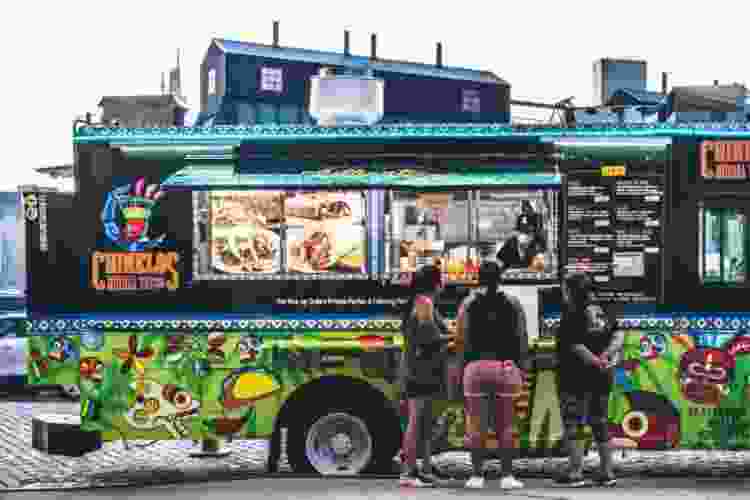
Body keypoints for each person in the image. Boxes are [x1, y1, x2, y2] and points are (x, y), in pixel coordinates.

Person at [454, 261, 529, 490]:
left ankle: (476, 476)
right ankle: (507, 476)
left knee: (477, 425)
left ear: (478, 278)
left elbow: (461, 339)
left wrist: (461, 369)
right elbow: (522, 336)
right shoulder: (513, 303)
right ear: (500, 278)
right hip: (504, 367)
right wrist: (521, 367)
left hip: (475, 369)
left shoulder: (468, 303)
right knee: (506, 426)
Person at [555, 273, 624, 487]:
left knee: (574, 422)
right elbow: (618, 335)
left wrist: (594, 360)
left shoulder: (571, 311)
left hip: (575, 376)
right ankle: (607, 472)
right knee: (600, 421)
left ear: (571, 290)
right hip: (602, 376)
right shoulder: (604, 308)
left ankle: (575, 473)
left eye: (565, 288)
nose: (563, 292)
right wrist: (606, 358)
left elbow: (575, 344)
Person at [399, 264, 453, 487]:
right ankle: (408, 473)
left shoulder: (420, 302)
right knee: (416, 422)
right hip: (421, 372)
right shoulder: (424, 303)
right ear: (436, 284)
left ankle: (424, 469)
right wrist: (453, 336)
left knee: (424, 424)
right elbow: (429, 337)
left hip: (420, 370)